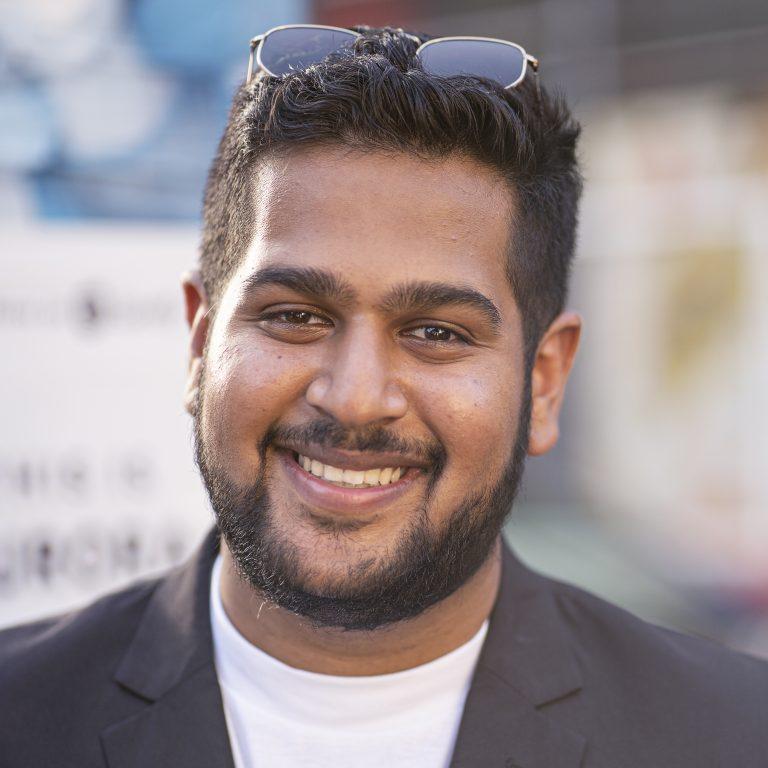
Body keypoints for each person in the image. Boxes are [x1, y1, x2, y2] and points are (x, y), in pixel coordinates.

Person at [1, 24, 766, 768]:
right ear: (200, 343)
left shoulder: (735, 737)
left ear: (544, 382)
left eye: (436, 332)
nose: (355, 399)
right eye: (296, 317)